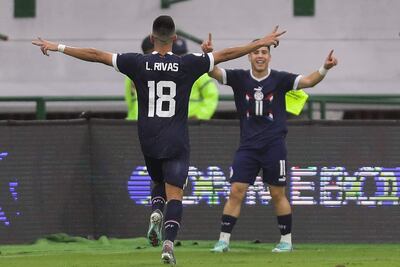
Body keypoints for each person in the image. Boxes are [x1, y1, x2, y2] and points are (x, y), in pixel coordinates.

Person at [32, 16, 286, 265]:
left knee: (157, 181)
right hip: (175, 137)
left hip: (148, 136)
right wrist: (259, 42)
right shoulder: (188, 63)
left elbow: (97, 55)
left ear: (152, 38)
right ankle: (168, 244)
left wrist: (59, 47)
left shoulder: (136, 62)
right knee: (175, 194)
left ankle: (155, 211)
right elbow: (227, 54)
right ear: (175, 39)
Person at [201, 35, 338, 253]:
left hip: (274, 145)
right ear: (249, 56)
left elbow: (309, 81)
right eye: (256, 52)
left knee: (277, 193)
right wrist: (209, 55)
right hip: (247, 147)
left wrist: (325, 67)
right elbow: (213, 72)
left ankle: (286, 241)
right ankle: (223, 240)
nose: (260, 56)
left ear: (269, 57)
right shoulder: (239, 78)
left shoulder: (280, 79)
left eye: (264, 53)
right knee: (236, 190)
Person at [125, 36, 219, 120]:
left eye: (183, 54)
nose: (180, 57)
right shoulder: (139, 71)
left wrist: (199, 116)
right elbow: (130, 100)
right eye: (176, 54)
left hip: (186, 122)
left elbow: (211, 95)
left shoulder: (195, 70)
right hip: (137, 122)